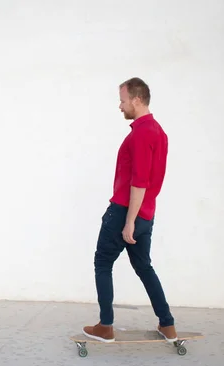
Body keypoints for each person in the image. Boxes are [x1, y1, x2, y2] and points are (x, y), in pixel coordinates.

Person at [82, 77, 177, 343]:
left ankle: (105, 326)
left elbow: (140, 181)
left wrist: (129, 222)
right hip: (147, 213)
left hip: (126, 212)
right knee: (144, 267)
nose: (120, 106)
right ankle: (167, 325)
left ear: (137, 99)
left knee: (103, 263)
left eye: (123, 100)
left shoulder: (142, 133)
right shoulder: (159, 132)